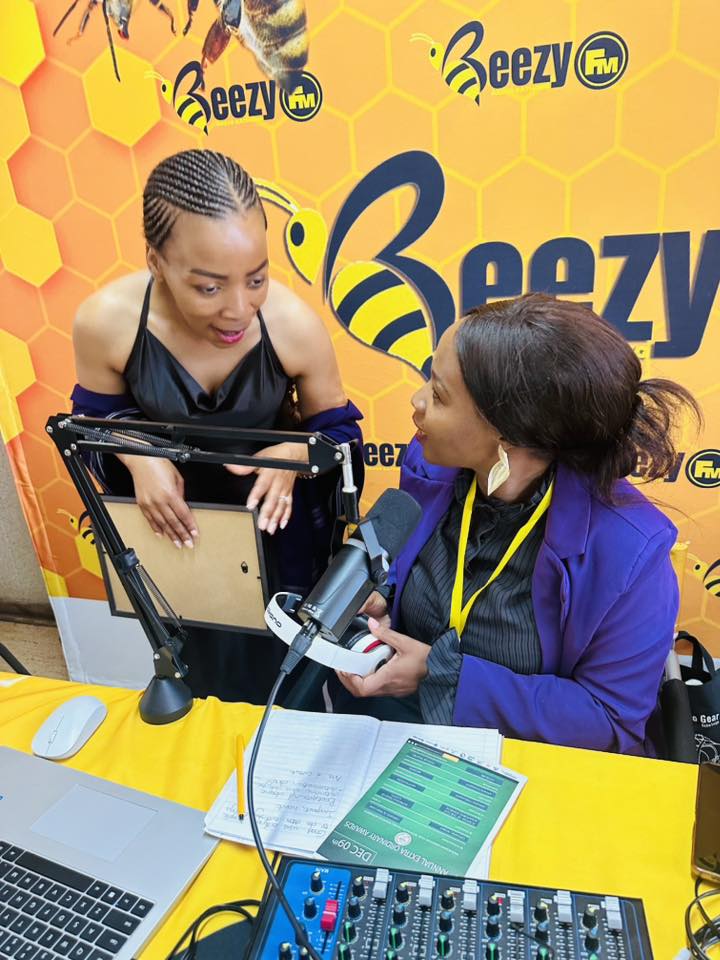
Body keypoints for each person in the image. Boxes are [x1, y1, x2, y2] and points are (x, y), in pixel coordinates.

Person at [333, 294, 700, 756]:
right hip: (391, 738)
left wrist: (438, 674)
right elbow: (397, 569)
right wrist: (382, 600)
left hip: (526, 763)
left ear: (510, 435)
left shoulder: (629, 551)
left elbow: (609, 721)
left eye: (439, 395)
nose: (417, 400)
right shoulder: (430, 467)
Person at [71, 148, 363, 703]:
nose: (239, 309)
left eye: (257, 279)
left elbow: (342, 439)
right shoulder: (106, 322)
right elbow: (91, 428)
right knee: (196, 672)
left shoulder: (292, 326)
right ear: (156, 261)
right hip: (172, 532)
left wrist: (291, 456)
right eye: (209, 287)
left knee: (285, 683)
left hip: (276, 530)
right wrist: (137, 456)